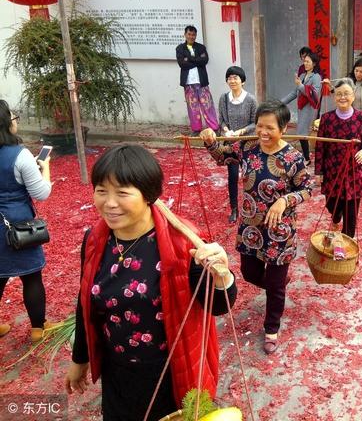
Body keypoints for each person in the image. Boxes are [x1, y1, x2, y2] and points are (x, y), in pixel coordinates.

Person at [64, 145, 237, 421]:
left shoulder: (183, 244)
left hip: (167, 373)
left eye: (122, 192)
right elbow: (86, 301)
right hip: (117, 374)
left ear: (148, 194)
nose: (109, 203)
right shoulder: (96, 240)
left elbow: (216, 305)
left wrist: (223, 276)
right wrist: (80, 359)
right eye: (101, 190)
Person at [200, 100, 313, 355]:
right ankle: (278, 287)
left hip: (279, 232)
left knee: (274, 285)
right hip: (251, 228)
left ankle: (272, 327)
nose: (263, 132)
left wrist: (284, 200)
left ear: (283, 128)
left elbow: (306, 188)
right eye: (260, 125)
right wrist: (209, 140)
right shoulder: (248, 147)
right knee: (249, 273)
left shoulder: (292, 157)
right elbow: (222, 156)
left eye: (269, 127)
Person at [0, 100, 54, 342]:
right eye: (14, 118)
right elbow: (41, 193)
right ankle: (38, 328)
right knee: (31, 276)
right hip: (18, 226)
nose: (16, 122)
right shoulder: (19, 155)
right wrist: (45, 167)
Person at [315, 79, 362, 239]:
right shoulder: (326, 119)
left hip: (354, 173)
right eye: (339, 94)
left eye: (347, 94)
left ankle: (345, 242)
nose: (343, 97)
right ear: (334, 96)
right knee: (332, 205)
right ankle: (336, 218)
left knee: (351, 213)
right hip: (332, 171)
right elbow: (320, 145)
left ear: (353, 96)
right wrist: (319, 171)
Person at [217, 66, 258, 224]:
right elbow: (221, 120)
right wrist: (226, 130)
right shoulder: (224, 98)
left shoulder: (251, 100)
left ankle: (251, 208)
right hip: (230, 144)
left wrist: (240, 132)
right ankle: (234, 209)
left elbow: (255, 123)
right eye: (229, 78)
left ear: (243, 81)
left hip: (248, 144)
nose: (232, 80)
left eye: (236, 77)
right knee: (233, 176)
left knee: (250, 177)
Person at [176, 25, 220, 135]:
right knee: (192, 107)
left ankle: (214, 128)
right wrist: (197, 60)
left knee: (207, 105)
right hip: (188, 83)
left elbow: (204, 60)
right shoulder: (180, 48)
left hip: (202, 82)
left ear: (196, 35)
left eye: (193, 34)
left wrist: (189, 58)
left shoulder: (201, 47)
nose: (191, 36)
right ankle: (196, 129)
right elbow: (182, 64)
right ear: (185, 35)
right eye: (189, 34)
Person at [281, 52, 322, 165]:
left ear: (314, 63)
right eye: (304, 61)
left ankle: (307, 158)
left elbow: (314, 94)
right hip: (302, 108)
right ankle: (307, 157)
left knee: (302, 133)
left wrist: (300, 85)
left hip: (309, 109)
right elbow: (295, 92)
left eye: (308, 61)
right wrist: (281, 102)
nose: (305, 63)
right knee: (302, 133)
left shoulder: (316, 77)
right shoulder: (303, 76)